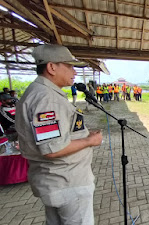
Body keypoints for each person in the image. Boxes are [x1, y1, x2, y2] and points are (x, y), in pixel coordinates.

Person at [15, 44, 103, 225]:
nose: (74, 72)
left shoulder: (42, 93)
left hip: (56, 181)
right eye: (69, 66)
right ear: (51, 67)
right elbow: (52, 149)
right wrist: (89, 141)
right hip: (68, 182)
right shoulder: (47, 98)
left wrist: (82, 135)